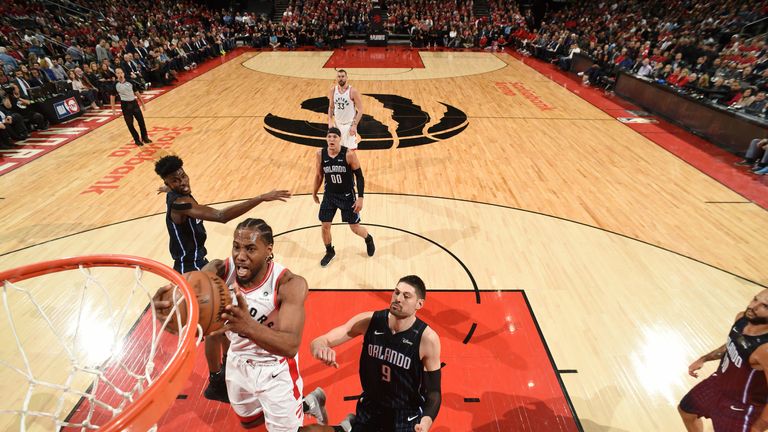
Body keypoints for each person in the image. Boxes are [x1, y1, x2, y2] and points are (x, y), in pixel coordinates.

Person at [152, 218, 328, 430]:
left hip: (274, 370)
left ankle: (341, 428)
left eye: (250, 249)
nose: (240, 256)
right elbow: (191, 290)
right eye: (236, 247)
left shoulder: (288, 284)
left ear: (268, 250)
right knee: (250, 423)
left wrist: (248, 326)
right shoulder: (218, 272)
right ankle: (306, 403)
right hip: (237, 364)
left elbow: (290, 346)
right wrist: (171, 305)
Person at [154, 155, 292, 403]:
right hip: (191, 268)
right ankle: (216, 380)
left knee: (223, 320)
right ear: (169, 182)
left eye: (183, 175)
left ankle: (226, 369)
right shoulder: (180, 203)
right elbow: (220, 215)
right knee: (215, 329)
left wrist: (167, 186)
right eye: (175, 180)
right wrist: (260, 198)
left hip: (199, 262)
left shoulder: (174, 192)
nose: (182, 181)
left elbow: (173, 189)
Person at [303, 275, 442, 432]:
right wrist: (320, 348)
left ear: (419, 304)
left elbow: (434, 392)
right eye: (396, 292)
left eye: (406, 296)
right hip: (370, 406)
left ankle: (346, 427)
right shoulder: (370, 321)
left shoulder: (427, 339)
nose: (398, 298)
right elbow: (321, 340)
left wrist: (426, 421)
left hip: (404, 413)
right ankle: (347, 426)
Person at [679, 289, 768, 432]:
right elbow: (733, 343)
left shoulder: (765, 349)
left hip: (742, 405)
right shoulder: (741, 319)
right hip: (717, 384)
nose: (753, 306)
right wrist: (705, 358)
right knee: (686, 410)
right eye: (755, 299)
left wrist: (758, 427)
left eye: (765, 306)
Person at [312, 127, 374, 267]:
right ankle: (329, 251)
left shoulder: (349, 154)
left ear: (340, 139)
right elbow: (319, 175)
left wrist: (361, 197)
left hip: (347, 196)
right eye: (329, 137)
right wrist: (314, 192)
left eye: (335, 137)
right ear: (326, 139)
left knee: (355, 228)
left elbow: (359, 176)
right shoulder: (320, 154)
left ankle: (368, 238)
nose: (332, 139)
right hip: (329, 195)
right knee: (325, 226)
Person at [110, 67, 151, 147]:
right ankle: (136, 139)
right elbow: (112, 96)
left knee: (141, 122)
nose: (120, 74)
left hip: (134, 104)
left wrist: (142, 104)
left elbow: (137, 93)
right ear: (116, 74)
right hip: (125, 105)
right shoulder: (115, 84)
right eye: (118, 73)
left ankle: (145, 137)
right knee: (130, 124)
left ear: (123, 73)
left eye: (121, 72)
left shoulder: (130, 82)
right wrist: (113, 109)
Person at [328, 70, 364, 150]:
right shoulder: (333, 90)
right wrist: (330, 121)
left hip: (349, 126)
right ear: (336, 78)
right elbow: (331, 107)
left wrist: (354, 126)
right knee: (337, 151)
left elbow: (360, 110)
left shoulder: (353, 91)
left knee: (350, 153)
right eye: (339, 76)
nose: (341, 78)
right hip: (337, 125)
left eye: (343, 76)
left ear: (347, 77)